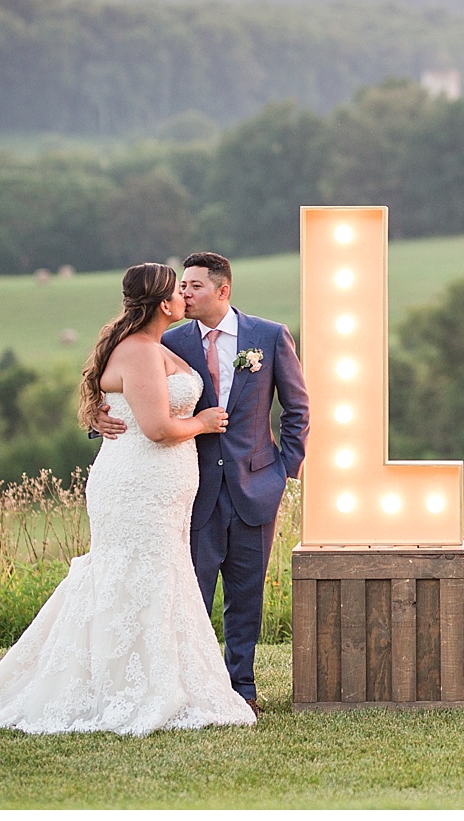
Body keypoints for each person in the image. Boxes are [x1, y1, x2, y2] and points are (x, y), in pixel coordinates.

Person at [0, 263, 254, 735]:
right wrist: (203, 423)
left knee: (158, 577)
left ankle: (165, 681)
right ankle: (123, 688)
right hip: (138, 482)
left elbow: (129, 403)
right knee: (131, 574)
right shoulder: (138, 351)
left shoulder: (155, 346)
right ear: (162, 304)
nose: (184, 296)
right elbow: (157, 429)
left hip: (163, 487)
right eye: (178, 291)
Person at [93, 251, 309, 714]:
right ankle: (193, 684)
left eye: (194, 286)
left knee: (246, 595)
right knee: (190, 592)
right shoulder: (167, 342)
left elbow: (297, 409)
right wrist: (99, 417)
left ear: (223, 290)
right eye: (181, 286)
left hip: (256, 485)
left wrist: (283, 471)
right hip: (189, 491)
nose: (185, 293)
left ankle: (242, 687)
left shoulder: (268, 337)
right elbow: (120, 388)